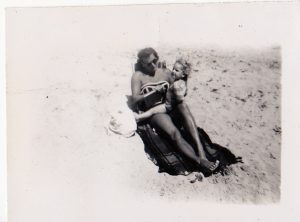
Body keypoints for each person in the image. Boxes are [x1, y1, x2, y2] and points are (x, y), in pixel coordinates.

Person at [130, 47, 219, 173]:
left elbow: (180, 91)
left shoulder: (166, 72)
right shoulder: (138, 76)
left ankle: (202, 154)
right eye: (149, 63)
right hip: (155, 112)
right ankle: (199, 161)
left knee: (183, 105)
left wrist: (183, 82)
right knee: (174, 133)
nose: (153, 65)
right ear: (142, 63)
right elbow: (134, 100)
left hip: (169, 106)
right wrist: (153, 92)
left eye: (155, 60)